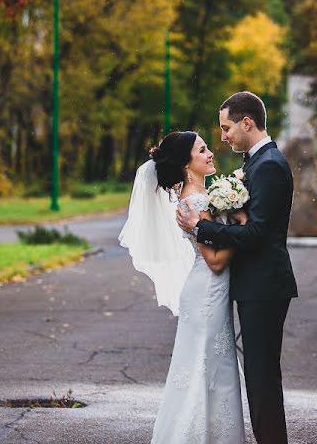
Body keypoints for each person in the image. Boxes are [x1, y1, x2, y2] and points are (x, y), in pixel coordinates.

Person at [176, 91, 298, 444]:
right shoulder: (257, 163)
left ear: (248, 122)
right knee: (259, 377)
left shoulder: (269, 164)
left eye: (227, 127)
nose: (223, 136)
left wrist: (200, 227)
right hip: (255, 284)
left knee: (262, 378)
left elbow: (258, 232)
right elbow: (251, 222)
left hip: (264, 285)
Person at [119, 130, 245, 443]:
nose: (210, 153)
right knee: (207, 368)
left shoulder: (207, 197)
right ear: (187, 164)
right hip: (207, 292)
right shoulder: (194, 202)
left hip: (207, 291)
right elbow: (215, 261)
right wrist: (243, 228)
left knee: (209, 367)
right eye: (202, 150)